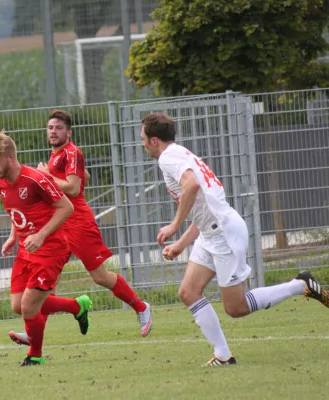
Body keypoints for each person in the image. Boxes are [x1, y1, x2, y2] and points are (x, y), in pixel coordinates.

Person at [140, 112, 329, 366]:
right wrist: (181, 244)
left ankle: (299, 285)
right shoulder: (181, 153)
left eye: (143, 138)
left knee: (236, 308)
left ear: (154, 141)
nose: (141, 143)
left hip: (223, 234)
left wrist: (174, 225)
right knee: (188, 292)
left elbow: (192, 185)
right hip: (211, 231)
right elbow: (204, 207)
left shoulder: (168, 158)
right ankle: (223, 355)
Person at [8, 110, 152, 347]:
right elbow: (83, 175)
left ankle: (141, 306)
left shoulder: (72, 151)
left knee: (100, 276)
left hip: (78, 222)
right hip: (58, 222)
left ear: (68, 132)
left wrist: (46, 176)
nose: (53, 132)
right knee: (43, 281)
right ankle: (33, 330)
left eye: (59, 128)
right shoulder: (57, 155)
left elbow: (73, 189)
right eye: (50, 128)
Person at [0, 129, 93, 367]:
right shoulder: (1, 184)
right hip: (26, 250)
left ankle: (35, 355)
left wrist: (42, 235)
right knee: (18, 306)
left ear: (10, 158)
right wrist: (13, 236)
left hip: (51, 248)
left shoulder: (36, 179)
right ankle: (77, 306)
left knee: (29, 305)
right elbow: (18, 212)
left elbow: (66, 208)